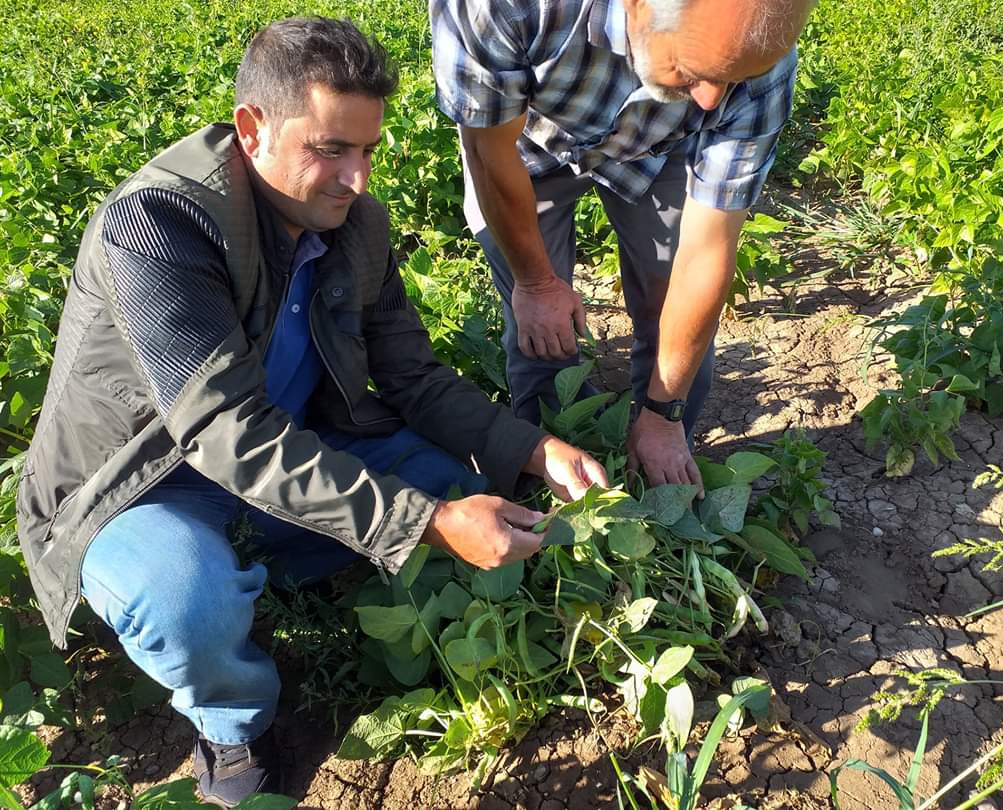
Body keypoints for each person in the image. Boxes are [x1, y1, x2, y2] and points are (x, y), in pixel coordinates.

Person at [16, 17, 607, 807]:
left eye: (367, 150)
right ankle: (234, 725)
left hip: (298, 443)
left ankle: (293, 565)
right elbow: (225, 432)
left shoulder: (354, 223)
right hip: (142, 484)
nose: (355, 178)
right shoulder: (158, 226)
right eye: (330, 149)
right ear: (252, 129)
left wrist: (533, 449)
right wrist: (422, 523)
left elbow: (412, 377)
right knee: (186, 596)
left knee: (449, 482)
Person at [431, 0, 814, 494]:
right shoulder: (506, 8)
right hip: (521, 139)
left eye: (733, 79)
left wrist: (664, 412)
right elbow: (490, 152)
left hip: (662, 144)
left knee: (668, 295)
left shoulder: (758, 67)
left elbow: (704, 253)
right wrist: (538, 283)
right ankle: (551, 471)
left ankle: (658, 462)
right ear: (636, 8)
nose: (712, 100)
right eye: (693, 70)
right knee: (540, 330)